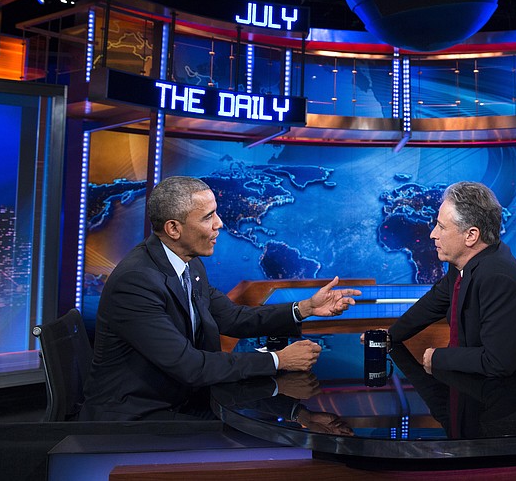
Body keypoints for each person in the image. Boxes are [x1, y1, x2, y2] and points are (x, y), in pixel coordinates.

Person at [80, 176, 360, 420]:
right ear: (173, 229)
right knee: (252, 441)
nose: (220, 224)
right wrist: (279, 360)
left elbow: (232, 317)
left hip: (186, 399)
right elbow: (190, 366)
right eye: (207, 217)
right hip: (139, 416)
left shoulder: (188, 263)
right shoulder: (136, 282)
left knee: (271, 411)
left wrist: (305, 308)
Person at [388, 181, 516, 377]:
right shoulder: (464, 264)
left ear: (471, 235)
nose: (432, 234)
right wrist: (389, 336)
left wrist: (437, 357)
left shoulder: (498, 277)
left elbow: (497, 363)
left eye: (441, 227)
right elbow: (434, 303)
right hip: (483, 386)